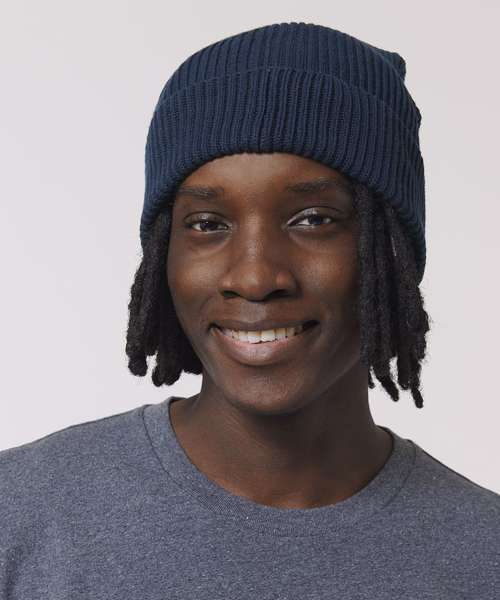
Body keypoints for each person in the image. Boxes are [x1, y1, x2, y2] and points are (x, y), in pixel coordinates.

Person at [1, 21, 499, 599]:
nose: (256, 278)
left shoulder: (483, 555)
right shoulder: (20, 516)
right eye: (207, 225)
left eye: (313, 219)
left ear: (392, 250)